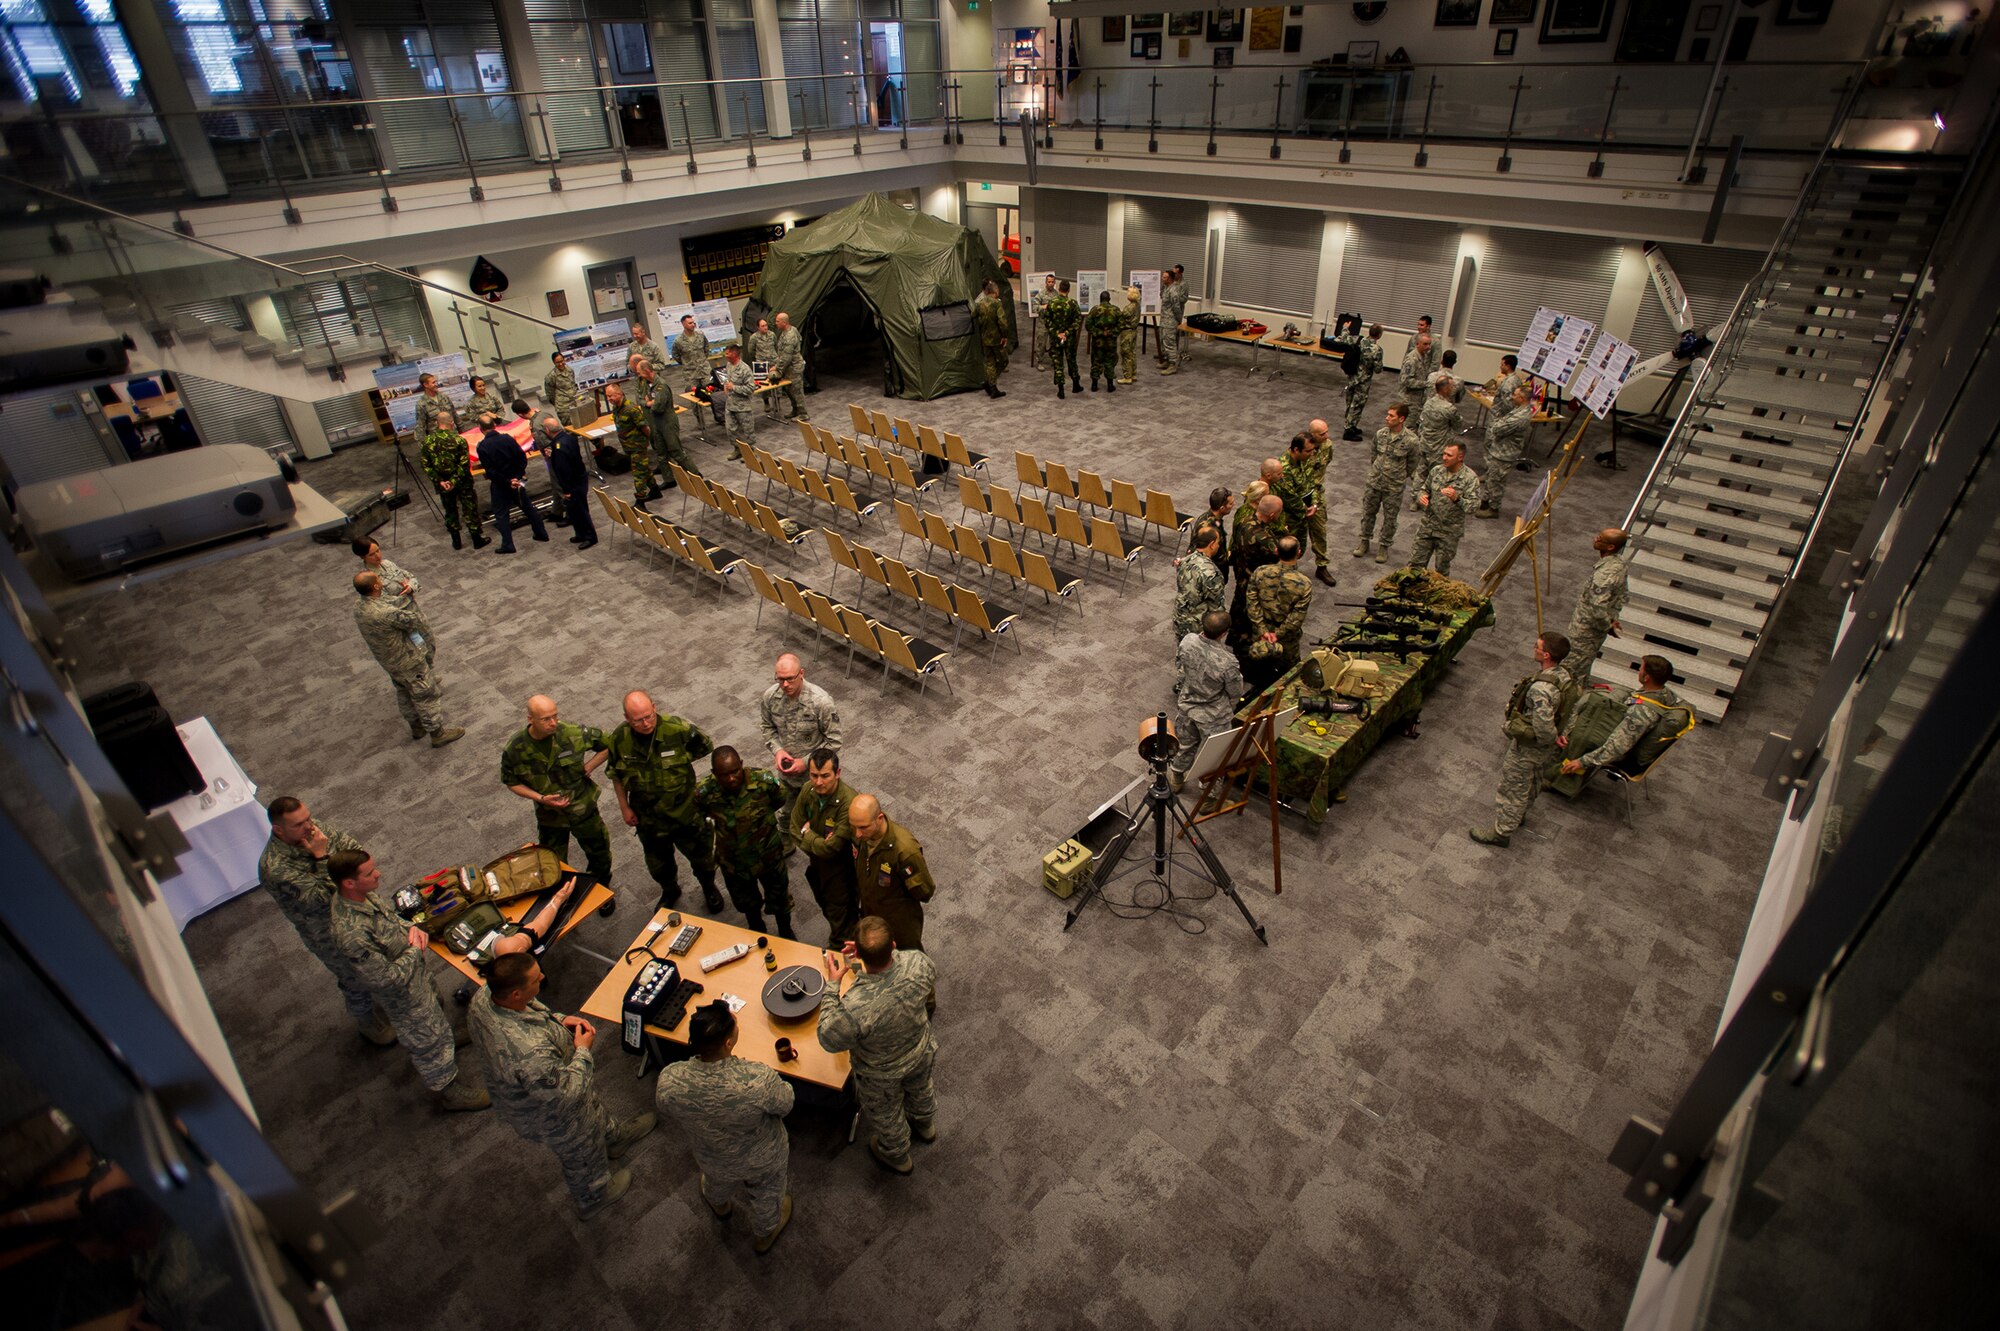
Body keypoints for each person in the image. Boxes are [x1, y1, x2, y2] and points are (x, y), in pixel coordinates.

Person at [471, 953, 654, 1218]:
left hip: (554, 1081)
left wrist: (557, 1019)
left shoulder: (487, 996)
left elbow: (530, 1007)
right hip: (552, 1114)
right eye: (536, 979)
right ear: (514, 994)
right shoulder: (529, 1054)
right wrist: (583, 1051)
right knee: (580, 1152)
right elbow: (567, 1095)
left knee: (590, 1112)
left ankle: (614, 1138)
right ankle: (594, 1196)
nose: (543, 978)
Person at [326, 849, 490, 1111]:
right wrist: (414, 951)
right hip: (404, 995)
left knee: (437, 1016)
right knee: (426, 1041)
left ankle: (447, 1037)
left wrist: (409, 929)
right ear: (349, 882)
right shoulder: (351, 933)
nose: (378, 874)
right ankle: (449, 1091)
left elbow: (389, 921)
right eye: (370, 873)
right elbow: (384, 980)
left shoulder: (362, 895)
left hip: (415, 976)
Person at [655, 1002, 794, 1253]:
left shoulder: (670, 1079)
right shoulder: (756, 1079)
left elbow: (665, 1107)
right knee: (767, 1193)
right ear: (728, 1044)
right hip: (762, 1157)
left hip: (711, 1155)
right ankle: (766, 1231)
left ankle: (719, 1203)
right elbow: (785, 1104)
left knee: (715, 1181)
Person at [257, 798, 389, 1044]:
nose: (309, 826)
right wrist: (322, 858)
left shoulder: (313, 829)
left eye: (308, 817)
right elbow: (323, 897)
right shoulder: (274, 867)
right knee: (354, 978)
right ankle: (368, 1024)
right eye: (299, 824)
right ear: (279, 830)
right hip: (328, 930)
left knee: (383, 954)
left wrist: (339, 867)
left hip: (361, 907)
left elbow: (353, 851)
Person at [818, 916, 938, 1176]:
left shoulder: (855, 1007)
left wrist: (833, 984)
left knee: (887, 1114)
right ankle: (925, 1124)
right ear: (893, 944)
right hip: (920, 1051)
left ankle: (897, 1156)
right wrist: (865, 966)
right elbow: (923, 977)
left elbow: (828, 1037)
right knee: (921, 1088)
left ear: (858, 953)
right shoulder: (917, 962)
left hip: (881, 1074)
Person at [604, 690, 722, 913]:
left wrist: (681, 762)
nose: (646, 723)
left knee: (703, 859)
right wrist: (624, 807)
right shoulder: (619, 738)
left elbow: (705, 746)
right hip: (649, 818)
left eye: (649, 716)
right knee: (659, 865)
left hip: (686, 813)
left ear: (654, 707)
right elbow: (616, 774)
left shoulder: (676, 728)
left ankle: (709, 887)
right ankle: (670, 890)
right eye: (638, 720)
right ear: (627, 718)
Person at [1471, 633, 1577, 848]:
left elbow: (1543, 727)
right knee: (1534, 780)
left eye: (1537, 646)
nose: (1534, 648)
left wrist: (1552, 737)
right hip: (1546, 748)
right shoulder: (1564, 676)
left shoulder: (1541, 690)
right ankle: (1519, 815)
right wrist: (1562, 733)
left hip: (1530, 747)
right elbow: (1572, 706)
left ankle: (1502, 832)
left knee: (1513, 786)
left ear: (1546, 654)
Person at [501, 694, 613, 883]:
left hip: (582, 809)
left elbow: (609, 743)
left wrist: (589, 766)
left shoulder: (571, 733)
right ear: (531, 719)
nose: (553, 723)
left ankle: (601, 886)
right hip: (550, 816)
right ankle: (562, 893)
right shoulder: (515, 748)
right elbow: (511, 782)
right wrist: (540, 798)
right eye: (546, 719)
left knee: (599, 853)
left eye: (555, 716)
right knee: (553, 862)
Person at [352, 571, 464, 746]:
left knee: (404, 691)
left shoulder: (359, 607)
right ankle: (437, 733)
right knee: (425, 694)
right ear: (375, 586)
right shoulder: (386, 613)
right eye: (378, 580)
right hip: (408, 660)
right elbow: (413, 620)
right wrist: (409, 599)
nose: (381, 581)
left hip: (389, 661)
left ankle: (416, 726)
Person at [693, 746, 793, 937]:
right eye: (724, 775)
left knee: (780, 898)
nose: (731, 778)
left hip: (769, 855)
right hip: (734, 862)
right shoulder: (705, 792)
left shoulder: (763, 782)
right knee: (747, 904)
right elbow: (700, 813)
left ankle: (785, 930)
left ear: (741, 765)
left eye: (735, 771)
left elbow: (778, 800)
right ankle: (757, 929)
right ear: (714, 774)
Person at [1561, 655, 1683, 779]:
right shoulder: (1665, 694)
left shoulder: (1640, 714)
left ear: (1646, 677)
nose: (1638, 671)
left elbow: (1617, 747)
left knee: (1579, 729)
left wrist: (1582, 762)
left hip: (1623, 753)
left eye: (1640, 669)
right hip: (1630, 738)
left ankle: (1561, 779)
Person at [1169, 610, 1245, 792]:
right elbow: (1235, 692)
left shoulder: (1188, 640)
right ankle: (1209, 797)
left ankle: (1177, 777)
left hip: (1188, 704)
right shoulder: (1227, 662)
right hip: (1214, 715)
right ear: (1224, 633)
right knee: (1212, 756)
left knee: (1185, 743)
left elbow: (1181, 664)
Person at [847, 793, 934, 950]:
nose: (857, 834)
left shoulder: (905, 850)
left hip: (899, 922)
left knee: (909, 957)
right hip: (871, 911)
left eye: (863, 827)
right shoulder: (864, 836)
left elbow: (925, 891)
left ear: (879, 818)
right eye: (853, 826)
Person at [791, 748, 858, 945]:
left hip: (841, 869)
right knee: (824, 903)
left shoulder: (849, 802)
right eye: (814, 775)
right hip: (817, 864)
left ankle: (840, 946)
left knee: (840, 911)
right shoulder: (807, 790)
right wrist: (816, 842)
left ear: (837, 773)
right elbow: (793, 828)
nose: (819, 782)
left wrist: (808, 834)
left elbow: (833, 848)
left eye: (825, 776)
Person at [758, 654, 843, 800]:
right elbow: (767, 726)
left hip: (816, 778)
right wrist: (778, 750)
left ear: (801, 673)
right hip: (786, 774)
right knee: (786, 818)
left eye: (790, 678)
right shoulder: (770, 697)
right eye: (780, 679)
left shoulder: (821, 702)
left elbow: (834, 740)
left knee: (817, 819)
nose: (785, 685)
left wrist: (806, 762)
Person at [1245, 535, 1314, 692]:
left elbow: (1252, 603)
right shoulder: (1304, 584)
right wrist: (1278, 634)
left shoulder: (1260, 572)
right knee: (1289, 675)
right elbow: (1296, 618)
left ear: (1276, 551)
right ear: (1299, 552)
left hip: (1260, 634)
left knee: (1259, 669)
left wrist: (1263, 630)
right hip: (1286, 639)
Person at [1354, 403, 1418, 565]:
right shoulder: (1380, 434)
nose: (1387, 418)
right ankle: (1364, 541)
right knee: (1368, 513)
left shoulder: (1411, 440)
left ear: (1401, 419)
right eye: (1387, 415)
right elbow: (1374, 454)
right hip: (1375, 481)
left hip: (1394, 486)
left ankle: (1384, 546)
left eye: (1391, 416)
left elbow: (1412, 464)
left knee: (1390, 518)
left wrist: (1399, 476)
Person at [1563, 528, 1631, 679]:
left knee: (1571, 670)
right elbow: (1622, 595)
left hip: (1586, 632)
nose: (1595, 539)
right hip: (1592, 631)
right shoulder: (1620, 564)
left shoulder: (1604, 574)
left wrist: (1607, 625)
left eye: (1600, 539)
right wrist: (1612, 618)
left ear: (1610, 547)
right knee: (1583, 665)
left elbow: (1597, 606)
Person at [476, 413, 549, 553]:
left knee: (501, 514)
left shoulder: (483, 447)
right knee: (528, 507)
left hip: (500, 484)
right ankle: (541, 533)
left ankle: (508, 544)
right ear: (494, 425)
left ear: (480, 428)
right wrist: (516, 477)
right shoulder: (508, 439)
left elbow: (490, 471)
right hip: (517, 481)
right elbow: (521, 458)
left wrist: (507, 481)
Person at [419, 406, 487, 550]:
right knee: (469, 508)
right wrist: (454, 481)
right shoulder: (458, 441)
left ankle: (456, 541)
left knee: (450, 510)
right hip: (462, 482)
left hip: (442, 484)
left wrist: (441, 481)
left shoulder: (427, 441)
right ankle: (476, 539)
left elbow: (426, 466)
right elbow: (463, 465)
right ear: (452, 423)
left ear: (437, 423)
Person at [1409, 443, 1481, 577]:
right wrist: (1422, 496)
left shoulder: (1470, 478)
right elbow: (1424, 489)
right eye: (1444, 454)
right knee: (1415, 566)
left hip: (1449, 532)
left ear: (1460, 457)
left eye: (1449, 455)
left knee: (1441, 572)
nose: (1444, 458)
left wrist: (1457, 499)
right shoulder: (1437, 471)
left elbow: (1474, 506)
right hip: (1428, 526)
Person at [1228, 494, 1288, 648]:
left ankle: (1235, 639)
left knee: (1239, 610)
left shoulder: (1244, 520)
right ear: (1273, 514)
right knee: (1251, 617)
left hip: (1241, 575)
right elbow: (1280, 559)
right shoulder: (1264, 539)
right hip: (1255, 583)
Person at [1275, 431, 1334, 587]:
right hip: (1292, 514)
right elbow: (1289, 497)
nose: (1312, 453)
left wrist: (1314, 504)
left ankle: (1322, 567)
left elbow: (1311, 483)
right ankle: (1285, 576)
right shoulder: (1283, 468)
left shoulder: (1306, 459)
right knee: (1290, 545)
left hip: (1308, 506)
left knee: (1317, 536)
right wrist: (1305, 510)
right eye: (1308, 451)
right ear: (1296, 450)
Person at [1475, 385, 1536, 519]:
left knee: (1497, 481)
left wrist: (1496, 423)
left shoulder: (1520, 417)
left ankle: (1493, 508)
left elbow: (1497, 429)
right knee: (1492, 477)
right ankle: (1485, 501)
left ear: (1522, 398)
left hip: (1505, 453)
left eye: (1514, 395)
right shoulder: (1518, 409)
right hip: (1499, 449)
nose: (1511, 397)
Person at [538, 413, 597, 549]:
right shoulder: (567, 438)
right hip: (579, 479)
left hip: (573, 484)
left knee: (581, 511)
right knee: (574, 511)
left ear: (547, 430)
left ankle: (590, 536)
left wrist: (566, 490)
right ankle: (580, 533)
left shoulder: (559, 446)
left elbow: (564, 470)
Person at [604, 382, 661, 512]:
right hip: (628, 446)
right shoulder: (617, 408)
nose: (609, 399)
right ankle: (655, 490)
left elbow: (645, 427)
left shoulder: (631, 409)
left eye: (610, 396)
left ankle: (640, 502)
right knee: (643, 469)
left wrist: (645, 442)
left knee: (638, 474)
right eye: (607, 396)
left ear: (619, 394)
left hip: (637, 446)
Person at [1172, 522, 1226, 641]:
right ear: (1211, 544)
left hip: (1180, 619)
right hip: (1199, 628)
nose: (1218, 546)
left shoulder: (1185, 560)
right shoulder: (1211, 573)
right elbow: (1216, 609)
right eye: (1217, 543)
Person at [1414, 375, 1464, 499]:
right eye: (1451, 386)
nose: (1453, 389)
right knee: (1437, 475)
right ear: (1445, 389)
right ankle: (1431, 500)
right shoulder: (1449, 409)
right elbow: (1458, 426)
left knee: (1421, 471)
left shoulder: (1428, 403)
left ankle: (1415, 498)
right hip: (1439, 447)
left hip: (1425, 443)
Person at [351, 537, 422, 616]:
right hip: (400, 616)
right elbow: (385, 604)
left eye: (378, 550)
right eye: (371, 554)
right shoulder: (368, 578)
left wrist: (410, 587)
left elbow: (412, 577)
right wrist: (408, 594)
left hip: (414, 610)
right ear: (363, 557)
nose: (377, 556)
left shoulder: (387, 563)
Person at [1343, 322, 1385, 440]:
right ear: (1379, 335)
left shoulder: (1358, 340)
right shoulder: (1377, 350)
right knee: (1357, 404)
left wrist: (1345, 328)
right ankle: (1348, 430)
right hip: (1363, 380)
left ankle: (1351, 424)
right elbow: (1378, 369)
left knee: (1350, 401)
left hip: (1352, 377)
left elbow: (1345, 338)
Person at [1043, 278, 1082, 398]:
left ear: (1059, 288)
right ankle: (1076, 385)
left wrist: (1056, 333)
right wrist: (1067, 333)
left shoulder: (1052, 303)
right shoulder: (1073, 303)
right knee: (1072, 361)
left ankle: (1061, 390)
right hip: (1069, 339)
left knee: (1058, 363)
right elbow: (1077, 321)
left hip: (1056, 339)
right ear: (1069, 290)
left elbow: (1047, 320)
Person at [973, 278, 1009, 400]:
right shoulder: (996, 303)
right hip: (997, 339)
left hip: (985, 339)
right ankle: (990, 383)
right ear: (995, 291)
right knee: (1003, 361)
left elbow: (973, 315)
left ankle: (992, 387)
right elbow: (1003, 322)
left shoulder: (980, 303)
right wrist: (1004, 336)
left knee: (989, 362)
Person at [771, 312, 810, 421]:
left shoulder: (790, 336)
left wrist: (777, 368)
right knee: (789, 390)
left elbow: (786, 357)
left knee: (797, 391)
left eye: (778, 321)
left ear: (784, 322)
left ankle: (803, 414)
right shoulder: (787, 331)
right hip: (788, 369)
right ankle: (795, 410)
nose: (776, 323)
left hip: (794, 368)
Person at [1086, 288, 1122, 393]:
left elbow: (1088, 325)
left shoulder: (1094, 310)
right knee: (1110, 362)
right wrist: (1111, 333)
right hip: (1111, 342)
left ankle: (1094, 384)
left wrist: (1100, 333)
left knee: (1096, 362)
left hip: (1098, 342)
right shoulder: (1116, 310)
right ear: (1109, 299)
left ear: (1100, 299)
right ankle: (1110, 385)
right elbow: (1121, 325)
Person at [720, 344, 758, 439]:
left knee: (748, 433)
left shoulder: (745, 369)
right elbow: (728, 379)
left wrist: (733, 387)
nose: (726, 355)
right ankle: (737, 450)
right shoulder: (729, 365)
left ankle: (751, 452)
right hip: (730, 405)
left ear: (734, 354)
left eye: (727, 353)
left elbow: (750, 389)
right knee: (730, 431)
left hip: (743, 407)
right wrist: (726, 385)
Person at [1157, 264, 1188, 374]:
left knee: (1170, 343)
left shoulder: (1173, 291)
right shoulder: (1166, 288)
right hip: (1164, 319)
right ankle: (1167, 360)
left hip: (1171, 321)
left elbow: (1176, 307)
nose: (1162, 279)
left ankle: (1172, 365)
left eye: (1164, 277)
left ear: (1169, 279)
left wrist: (1178, 321)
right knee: (1164, 341)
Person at [1396, 332, 1440, 409]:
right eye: (1425, 344)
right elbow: (1406, 381)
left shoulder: (1424, 356)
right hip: (1408, 401)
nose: (1428, 347)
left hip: (1418, 400)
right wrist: (1426, 384)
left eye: (1429, 344)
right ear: (1417, 344)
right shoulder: (1411, 360)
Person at [745, 316, 779, 409]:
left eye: (766, 325)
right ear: (758, 327)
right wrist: (758, 358)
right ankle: (766, 402)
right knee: (763, 384)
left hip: (773, 361)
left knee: (777, 383)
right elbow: (750, 351)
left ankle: (777, 401)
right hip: (761, 363)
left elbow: (776, 346)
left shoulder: (772, 335)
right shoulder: (754, 337)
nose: (765, 327)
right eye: (763, 326)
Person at [671, 313, 711, 390]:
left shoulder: (700, 335)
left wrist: (702, 360)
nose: (693, 325)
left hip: (704, 371)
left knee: (710, 392)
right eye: (690, 323)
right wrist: (686, 363)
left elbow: (706, 348)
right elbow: (675, 355)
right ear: (683, 324)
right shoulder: (678, 340)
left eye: (693, 323)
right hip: (691, 374)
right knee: (693, 395)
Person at [544, 350, 583, 427]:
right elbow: (550, 395)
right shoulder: (551, 376)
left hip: (576, 403)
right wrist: (559, 404)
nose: (561, 364)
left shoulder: (570, 370)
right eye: (558, 362)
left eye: (562, 361)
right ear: (554, 363)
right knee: (571, 430)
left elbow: (573, 385)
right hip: (564, 408)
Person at [411, 372, 452, 439]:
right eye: (433, 383)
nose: (436, 384)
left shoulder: (444, 397)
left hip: (453, 436)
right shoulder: (421, 404)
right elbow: (420, 427)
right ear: (425, 385)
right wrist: (425, 446)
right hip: (438, 440)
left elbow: (454, 415)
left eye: (435, 382)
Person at [1029, 272, 1056, 370]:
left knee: (1054, 342)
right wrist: (1043, 307)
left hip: (1053, 323)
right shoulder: (1040, 294)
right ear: (1046, 282)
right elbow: (1034, 307)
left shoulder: (1056, 295)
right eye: (1049, 282)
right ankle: (1040, 361)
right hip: (1043, 323)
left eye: (1052, 282)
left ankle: (1054, 360)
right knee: (1041, 343)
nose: (1051, 284)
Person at [1117, 283, 1141, 385]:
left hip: (1127, 332)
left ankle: (1127, 376)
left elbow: (1121, 317)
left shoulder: (1129, 307)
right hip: (1134, 331)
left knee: (1126, 353)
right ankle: (1133, 373)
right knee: (1132, 353)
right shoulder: (1137, 305)